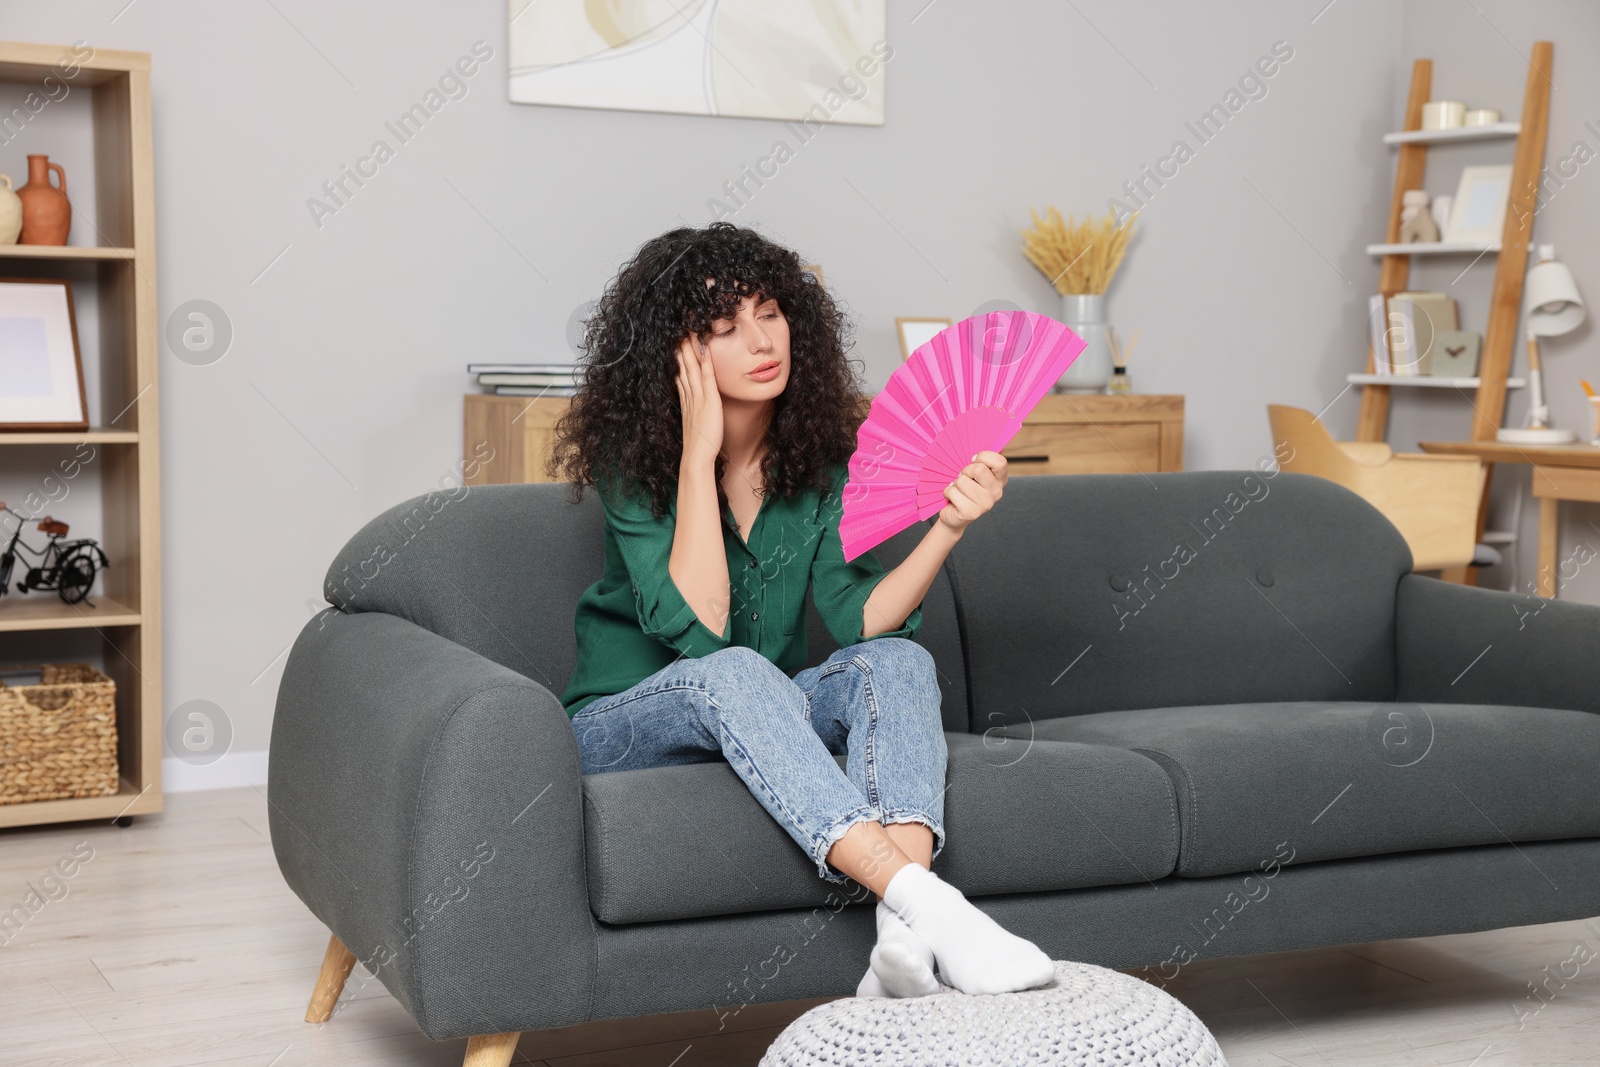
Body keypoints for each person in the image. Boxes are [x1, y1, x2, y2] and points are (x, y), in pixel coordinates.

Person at [546, 221, 1055, 998]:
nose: (760, 338)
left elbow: (859, 619)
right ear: (680, 357)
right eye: (725, 327)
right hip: (622, 726)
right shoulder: (635, 468)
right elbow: (702, 627)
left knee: (900, 660)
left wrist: (948, 525)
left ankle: (902, 940)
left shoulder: (819, 469)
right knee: (735, 668)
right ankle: (932, 906)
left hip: (761, 712)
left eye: (770, 311)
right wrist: (696, 453)